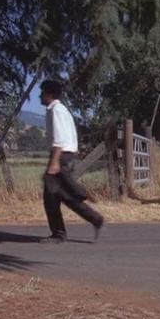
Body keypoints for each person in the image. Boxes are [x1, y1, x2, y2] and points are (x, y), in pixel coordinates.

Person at [40, 80, 104, 243]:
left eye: (42, 93)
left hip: (60, 155)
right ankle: (94, 217)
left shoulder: (57, 110)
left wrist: (54, 162)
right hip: (63, 155)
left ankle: (59, 234)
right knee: (60, 195)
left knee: (51, 196)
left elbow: (59, 139)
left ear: (49, 94)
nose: (40, 96)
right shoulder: (60, 110)